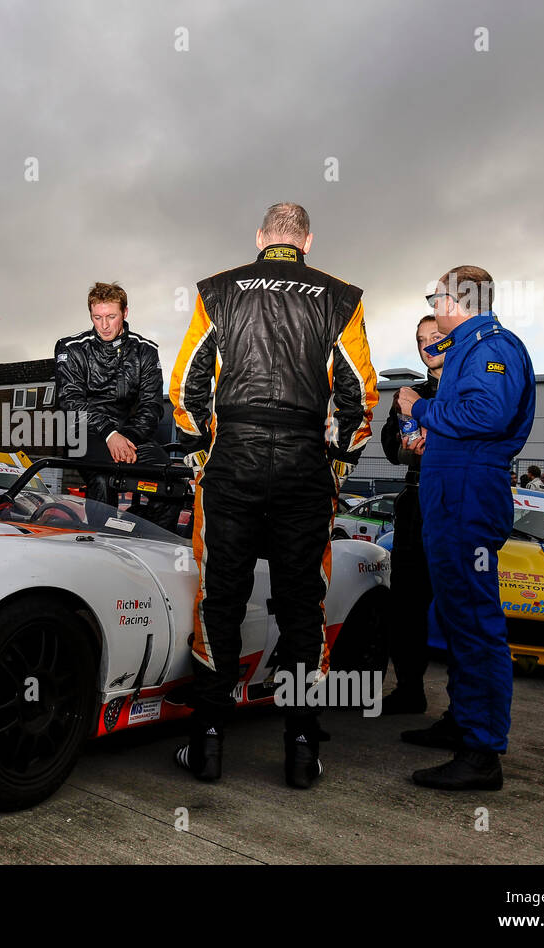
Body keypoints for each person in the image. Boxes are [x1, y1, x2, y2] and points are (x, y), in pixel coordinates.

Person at [168, 202, 378, 787]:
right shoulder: (341, 296)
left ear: (261, 238)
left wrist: (199, 453)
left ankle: (206, 742)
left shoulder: (218, 289)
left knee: (220, 599)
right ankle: (303, 750)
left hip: (231, 458)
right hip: (303, 464)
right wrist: (337, 464)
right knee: (301, 606)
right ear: (306, 241)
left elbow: (185, 383)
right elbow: (360, 396)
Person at [396, 265, 535, 790]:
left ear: (458, 299)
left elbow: (487, 413)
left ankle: (481, 753)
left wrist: (421, 407)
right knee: (456, 616)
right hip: (452, 486)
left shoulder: (489, 346)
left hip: (469, 492)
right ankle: (463, 722)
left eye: (437, 295)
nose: (435, 303)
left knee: (475, 620)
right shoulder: (466, 349)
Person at [54, 282, 179, 532]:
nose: (104, 325)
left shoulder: (145, 350)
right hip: (85, 436)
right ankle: (103, 547)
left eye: (111, 316)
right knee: (103, 477)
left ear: (125, 313)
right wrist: (110, 435)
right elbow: (70, 401)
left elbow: (152, 406)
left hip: (133, 436)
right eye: (97, 317)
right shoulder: (71, 348)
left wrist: (127, 439)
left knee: (173, 482)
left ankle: (141, 536)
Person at [378, 316, 444, 715]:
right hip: (416, 502)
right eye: (421, 339)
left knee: (461, 605)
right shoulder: (408, 393)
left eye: (436, 337)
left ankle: (464, 710)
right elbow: (391, 447)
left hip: (458, 503)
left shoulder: (474, 387)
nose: (427, 345)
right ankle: (408, 689)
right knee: (406, 603)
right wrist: (410, 450)